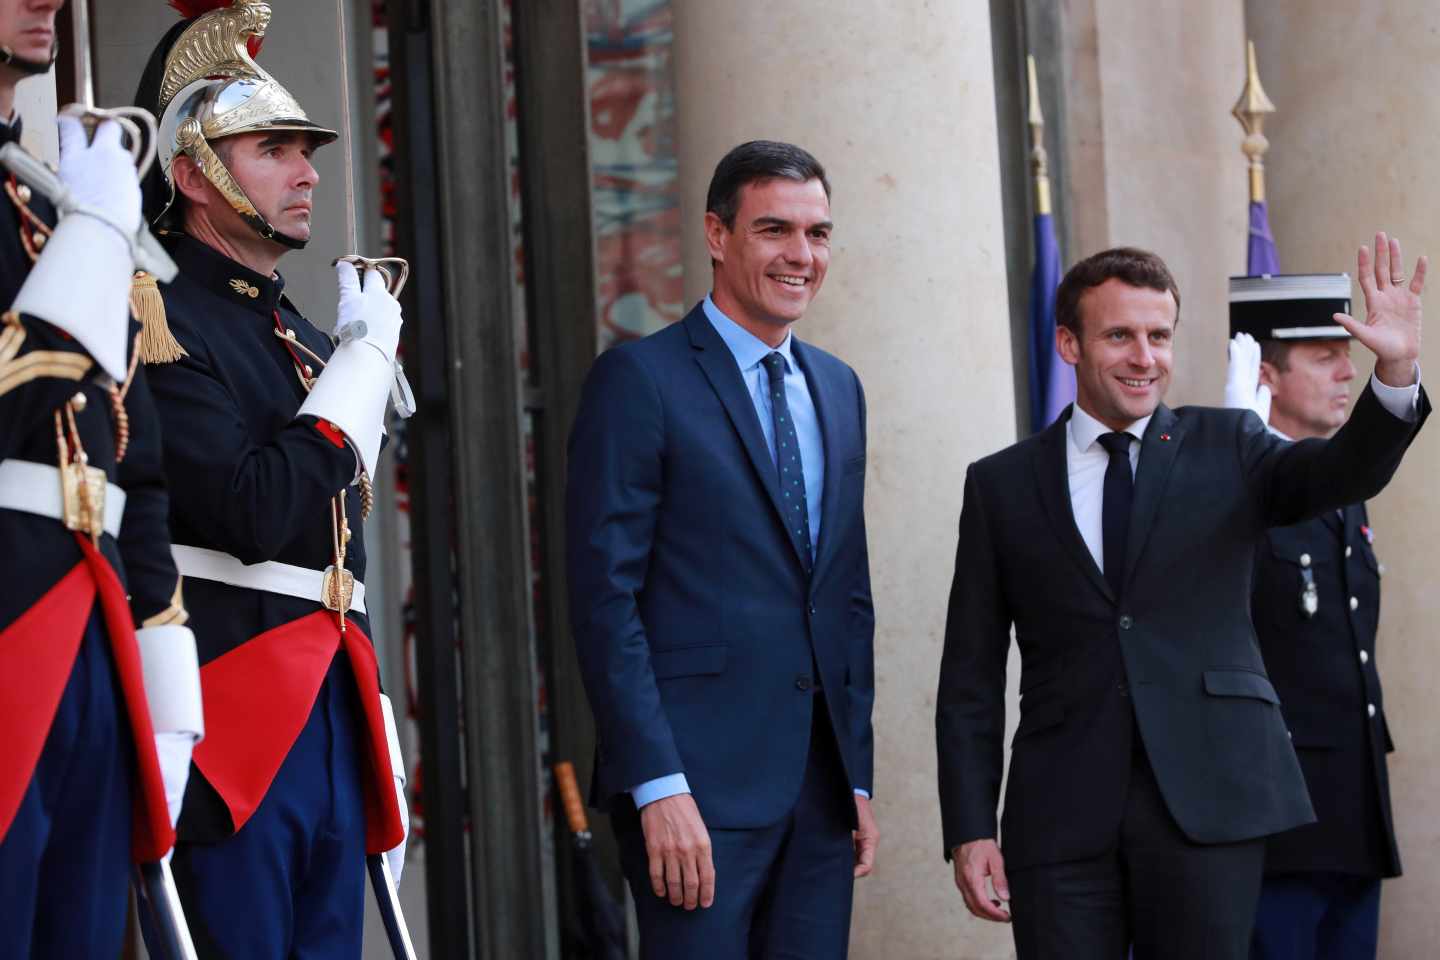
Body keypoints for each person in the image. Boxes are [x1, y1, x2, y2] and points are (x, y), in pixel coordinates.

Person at [935, 240, 1427, 960]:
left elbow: (1343, 471)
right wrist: (972, 827)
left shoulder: (1230, 444)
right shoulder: (1001, 484)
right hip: (1061, 819)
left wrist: (1395, 373)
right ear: (1068, 343)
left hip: (1209, 808)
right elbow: (970, 675)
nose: (1144, 357)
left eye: (1159, 336)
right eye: (1120, 336)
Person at [130, 1, 408, 954]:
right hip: (229, 720)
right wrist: (361, 374)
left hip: (332, 709)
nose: (307, 172)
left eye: (307, 149)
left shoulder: (311, 339)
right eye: (272, 149)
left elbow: (345, 552)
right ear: (193, 173)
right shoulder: (160, 322)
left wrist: (372, 713)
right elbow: (251, 511)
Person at [567, 139, 879, 958]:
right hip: (692, 794)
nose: (800, 256)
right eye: (775, 229)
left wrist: (854, 773)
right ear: (715, 234)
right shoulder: (641, 380)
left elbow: (846, 596)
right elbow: (605, 600)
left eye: (817, 234)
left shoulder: (839, 387)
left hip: (817, 795)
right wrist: (656, 784)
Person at [0, 0, 202, 954]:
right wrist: (93, 240)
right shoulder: (75, 221)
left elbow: (136, 467)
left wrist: (168, 694)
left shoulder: (47, 205)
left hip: (89, 633)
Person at [1223, 274, 1401, 960]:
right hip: (1279, 819)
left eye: (1345, 353)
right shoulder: (1233, 490)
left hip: (1353, 808)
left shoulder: (1342, 491)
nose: (1345, 370)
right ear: (1266, 373)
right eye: (1324, 355)